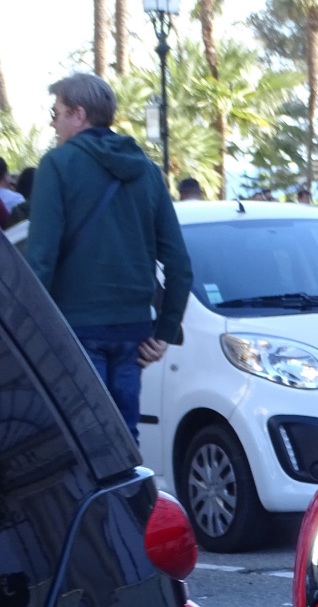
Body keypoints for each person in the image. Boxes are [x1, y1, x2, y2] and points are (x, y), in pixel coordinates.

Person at [25, 72, 192, 443]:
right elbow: (179, 262)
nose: (52, 123)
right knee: (125, 441)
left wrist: (29, 332)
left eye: (57, 113)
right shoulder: (147, 171)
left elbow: (41, 260)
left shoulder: (57, 165)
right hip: (134, 331)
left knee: (85, 444)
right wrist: (164, 333)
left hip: (76, 330)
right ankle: (131, 502)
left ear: (79, 114)